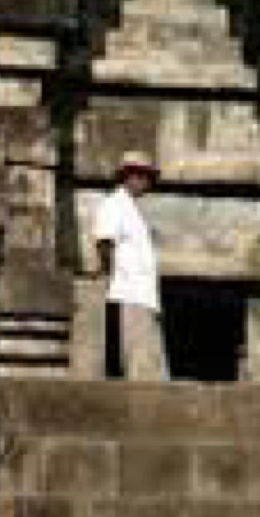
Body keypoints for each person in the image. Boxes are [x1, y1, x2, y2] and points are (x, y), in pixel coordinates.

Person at [90, 153, 167, 382]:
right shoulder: (114, 204)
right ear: (127, 176)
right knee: (135, 360)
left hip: (143, 295)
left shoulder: (132, 210)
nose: (146, 182)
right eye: (141, 176)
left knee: (146, 359)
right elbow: (105, 242)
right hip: (128, 292)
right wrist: (109, 275)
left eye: (148, 177)